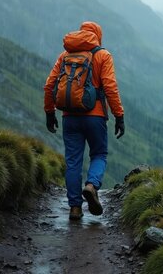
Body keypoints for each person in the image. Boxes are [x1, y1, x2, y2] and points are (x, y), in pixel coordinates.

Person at [43, 21, 125, 220]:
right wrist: (119, 115)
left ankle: (75, 208)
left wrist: (49, 113)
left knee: (73, 162)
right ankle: (91, 185)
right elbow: (110, 87)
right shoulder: (102, 55)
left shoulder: (65, 56)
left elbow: (49, 85)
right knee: (99, 154)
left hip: (69, 117)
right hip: (95, 117)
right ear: (97, 36)